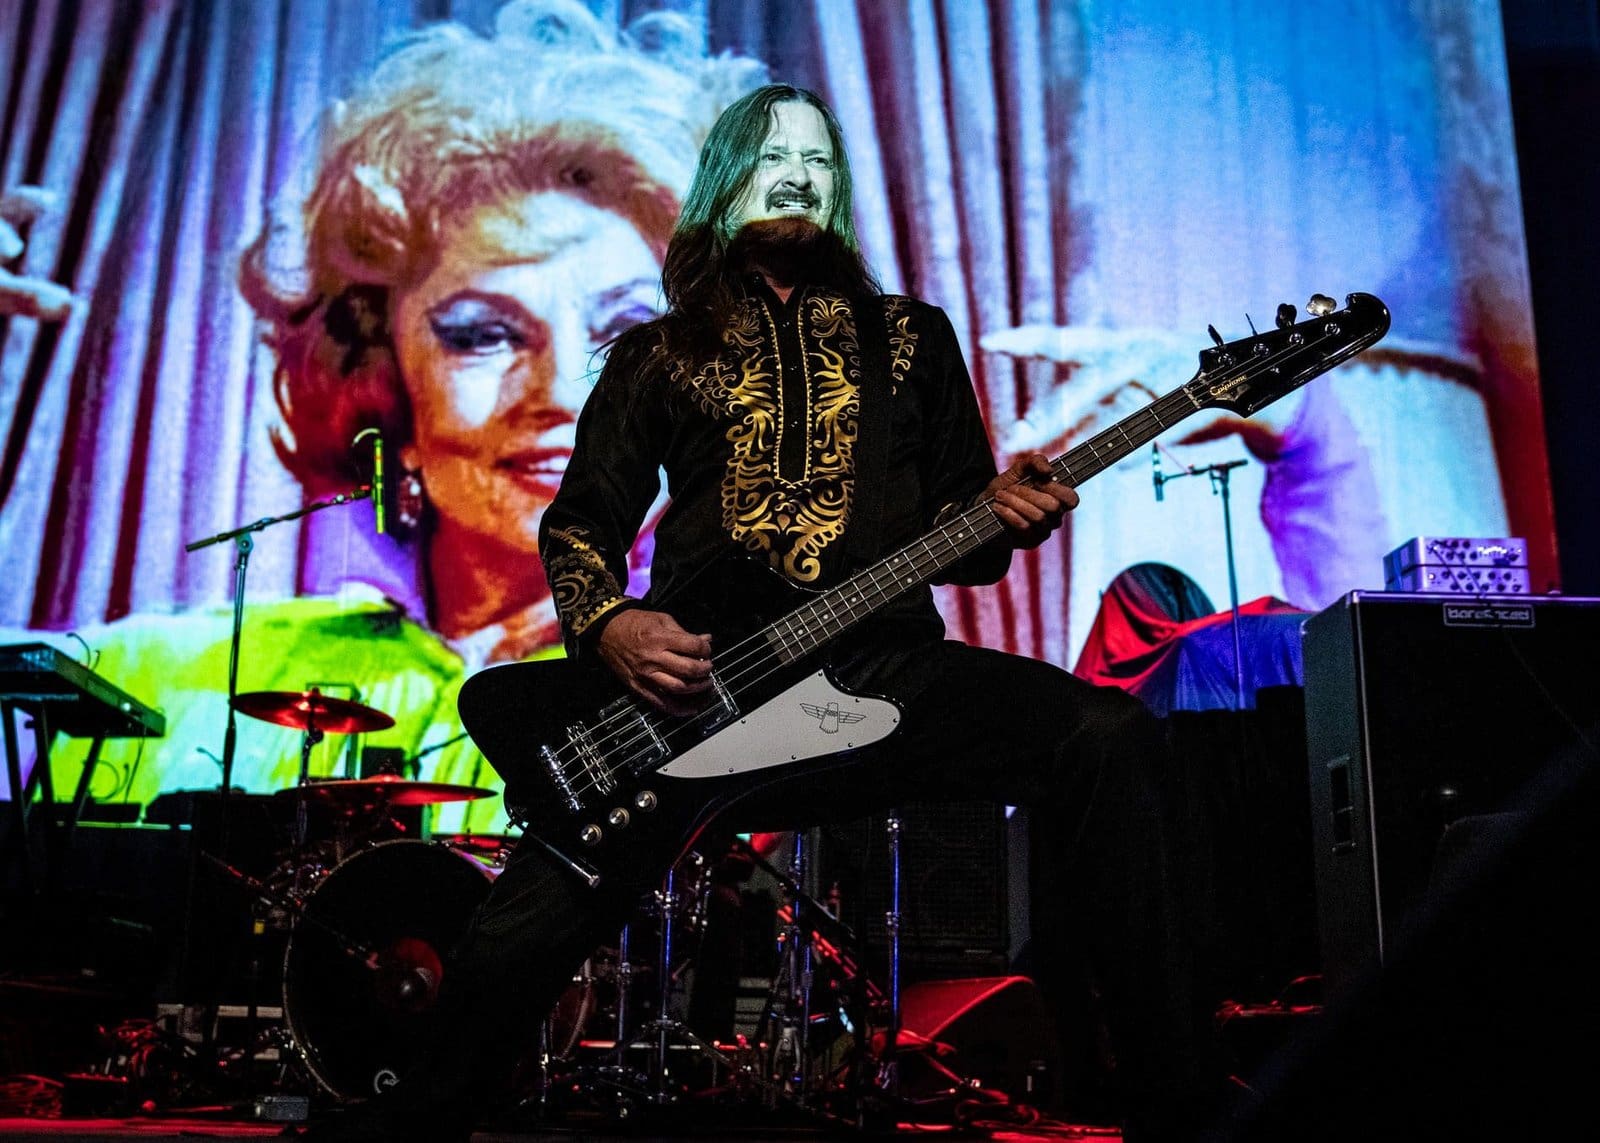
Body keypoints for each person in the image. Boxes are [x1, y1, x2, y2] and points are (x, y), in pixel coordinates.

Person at [305, 83, 1229, 1143]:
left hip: (887, 682)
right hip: (699, 693)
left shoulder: (914, 341)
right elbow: (580, 527)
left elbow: (963, 541)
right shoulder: (655, 354)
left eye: (818, 163)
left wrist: (1010, 517)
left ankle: (1178, 1103)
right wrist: (610, 626)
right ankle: (412, 1122)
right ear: (722, 188)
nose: (797, 177)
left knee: (1106, 739)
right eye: (772, 160)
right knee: (539, 907)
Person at [24, 1, 764, 835]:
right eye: (483, 335)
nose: (562, 390)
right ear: (384, 384)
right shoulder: (177, 674)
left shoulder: (734, 697)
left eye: (627, 337)